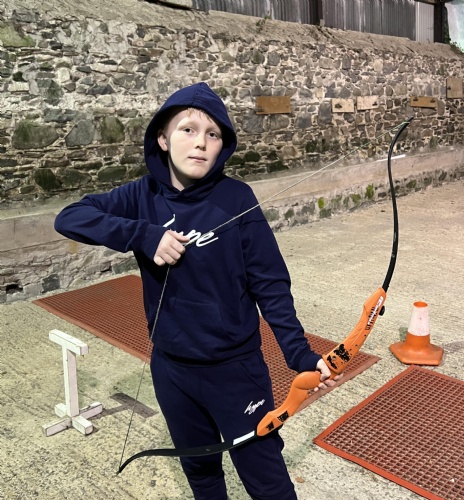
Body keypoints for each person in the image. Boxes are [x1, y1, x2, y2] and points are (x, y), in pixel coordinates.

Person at [54, 82, 340, 499]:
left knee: (266, 478)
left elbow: (271, 285)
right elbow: (69, 217)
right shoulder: (141, 195)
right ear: (162, 138)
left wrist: (300, 356)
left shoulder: (236, 197)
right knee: (201, 472)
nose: (201, 143)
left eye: (213, 134)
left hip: (236, 371)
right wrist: (144, 235)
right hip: (171, 369)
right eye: (187, 130)